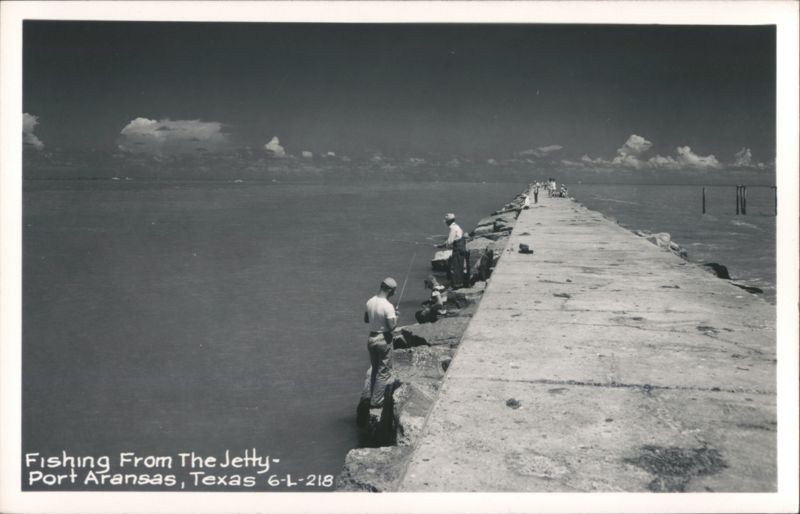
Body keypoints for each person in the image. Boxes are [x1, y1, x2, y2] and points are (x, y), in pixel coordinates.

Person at [359, 277, 398, 412]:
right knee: (383, 372)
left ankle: (371, 397)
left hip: (371, 339)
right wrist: (395, 317)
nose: (394, 294)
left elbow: (366, 319)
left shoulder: (369, 301)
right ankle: (376, 402)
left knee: (375, 370)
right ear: (390, 290)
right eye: (394, 291)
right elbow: (392, 327)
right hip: (383, 339)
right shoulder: (388, 306)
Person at [438, 213, 467, 289]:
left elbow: (450, 241)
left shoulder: (452, 228)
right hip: (461, 248)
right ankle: (460, 283)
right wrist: (444, 244)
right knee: (459, 266)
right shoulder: (457, 226)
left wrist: (442, 246)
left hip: (458, 249)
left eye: (446, 222)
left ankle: (456, 285)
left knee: (455, 267)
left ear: (449, 221)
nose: (446, 223)